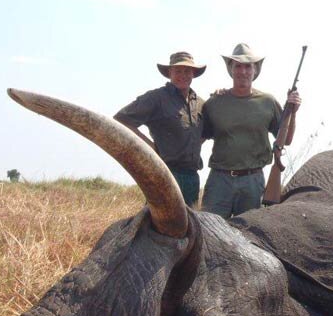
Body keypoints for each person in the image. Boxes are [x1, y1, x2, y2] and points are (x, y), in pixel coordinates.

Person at [201, 43, 302, 218]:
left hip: (253, 181)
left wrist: (293, 112)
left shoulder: (268, 102)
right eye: (238, 66)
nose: (243, 71)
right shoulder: (214, 102)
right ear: (230, 69)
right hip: (219, 180)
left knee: (250, 236)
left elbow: (286, 140)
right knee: (209, 234)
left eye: (248, 66)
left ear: (255, 70)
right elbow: (198, 137)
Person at [114, 51, 206, 207]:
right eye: (177, 71)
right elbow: (121, 120)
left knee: (189, 226)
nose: (182, 75)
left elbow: (207, 133)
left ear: (194, 73)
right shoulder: (156, 98)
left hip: (192, 176)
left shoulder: (201, 103)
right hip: (165, 173)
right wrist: (151, 147)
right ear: (169, 73)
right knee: (158, 224)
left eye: (187, 71)